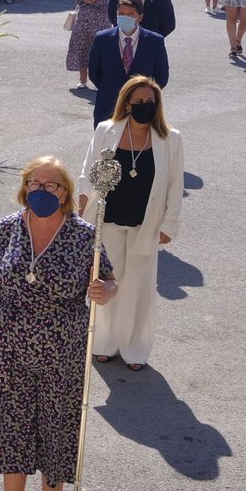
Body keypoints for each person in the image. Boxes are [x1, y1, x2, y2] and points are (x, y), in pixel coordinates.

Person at [0, 157, 117, 491]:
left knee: (57, 430)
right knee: (12, 426)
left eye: (51, 185)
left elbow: (109, 279)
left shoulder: (86, 236)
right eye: (34, 184)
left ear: (65, 193)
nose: (41, 191)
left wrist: (105, 290)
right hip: (9, 348)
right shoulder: (6, 229)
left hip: (63, 351)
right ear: (24, 188)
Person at [80, 77, 183, 370]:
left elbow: (176, 183)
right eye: (139, 102)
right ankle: (103, 343)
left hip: (145, 225)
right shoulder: (106, 130)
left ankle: (135, 349)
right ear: (126, 103)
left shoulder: (171, 139)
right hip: (107, 221)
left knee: (139, 290)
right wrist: (82, 209)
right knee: (106, 284)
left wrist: (169, 224)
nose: (145, 106)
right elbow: (88, 171)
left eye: (150, 102)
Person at [87, 0, 169, 126]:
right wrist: (109, 89)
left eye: (130, 15)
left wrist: (144, 97)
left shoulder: (154, 41)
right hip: (108, 106)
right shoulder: (102, 39)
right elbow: (94, 72)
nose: (125, 17)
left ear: (140, 17)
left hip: (141, 110)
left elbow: (161, 76)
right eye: (121, 14)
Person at [64, 0, 114, 88]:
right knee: (82, 50)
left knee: (98, 52)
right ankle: (83, 80)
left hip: (100, 24)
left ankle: (99, 81)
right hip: (82, 22)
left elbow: (103, 1)